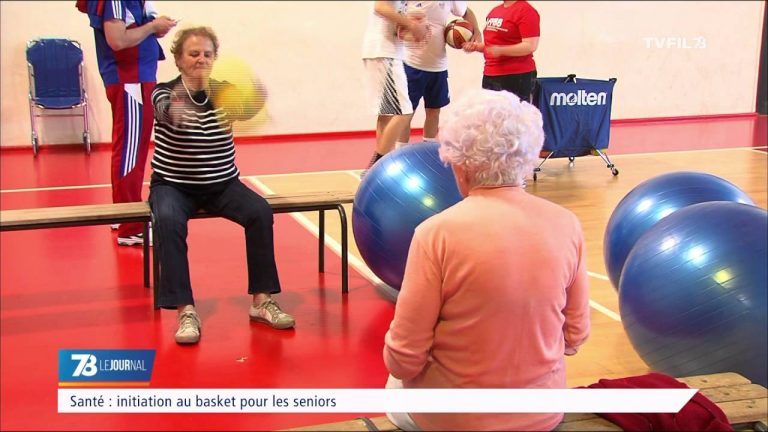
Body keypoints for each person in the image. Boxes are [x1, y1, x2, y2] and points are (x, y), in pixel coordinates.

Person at [383, 89, 590, 431]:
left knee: (392, 385)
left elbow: (404, 358)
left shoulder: (436, 234)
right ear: (527, 157)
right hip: (543, 416)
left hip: (455, 421)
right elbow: (575, 335)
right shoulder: (567, 224)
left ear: (461, 167)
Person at [149, 26, 294, 345]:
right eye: (193, 54)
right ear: (178, 59)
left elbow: (247, 110)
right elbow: (165, 111)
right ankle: (185, 310)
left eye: (207, 54)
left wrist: (257, 98)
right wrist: (180, 111)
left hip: (221, 183)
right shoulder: (163, 91)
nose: (201, 59)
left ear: (215, 59)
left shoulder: (225, 91)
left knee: (259, 211)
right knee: (169, 221)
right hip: (174, 185)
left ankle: (262, 301)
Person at [77, 0, 177, 245]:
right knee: (130, 153)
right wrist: (153, 27)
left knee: (128, 149)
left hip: (136, 79)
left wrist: (155, 26)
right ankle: (131, 227)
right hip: (130, 81)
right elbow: (117, 40)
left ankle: (121, 213)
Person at [397, 1, 481, 147]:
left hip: (438, 67)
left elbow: (466, 12)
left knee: (434, 111)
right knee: (406, 113)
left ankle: (427, 149)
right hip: (412, 65)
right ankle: (399, 152)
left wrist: (477, 31)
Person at [361, 1, 428, 175]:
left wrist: (410, 29)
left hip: (381, 52)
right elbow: (380, 7)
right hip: (385, 53)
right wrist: (412, 25)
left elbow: (391, 19)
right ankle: (376, 166)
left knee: (387, 114)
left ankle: (380, 166)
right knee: (404, 112)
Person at [463, 0, 540, 102]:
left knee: (514, 116)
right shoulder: (495, 11)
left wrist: (501, 50)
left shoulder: (526, 11)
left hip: (517, 76)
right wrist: (476, 47)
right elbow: (492, 46)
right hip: (490, 74)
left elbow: (530, 46)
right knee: (490, 115)